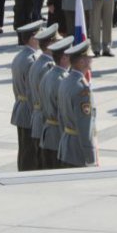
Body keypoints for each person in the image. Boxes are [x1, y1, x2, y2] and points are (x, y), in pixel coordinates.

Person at [57, 39, 99, 168]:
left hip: (66, 146)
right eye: (89, 58)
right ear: (82, 62)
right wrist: (90, 157)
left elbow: (60, 116)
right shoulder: (82, 89)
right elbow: (85, 126)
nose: (92, 60)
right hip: (78, 152)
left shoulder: (65, 80)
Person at [27, 24, 59, 169]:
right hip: (44, 120)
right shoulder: (47, 67)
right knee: (45, 163)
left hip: (37, 117)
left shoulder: (38, 62)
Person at [12, 21, 42, 171]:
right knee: (29, 152)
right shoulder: (31, 60)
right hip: (29, 110)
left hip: (20, 106)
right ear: (32, 38)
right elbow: (31, 92)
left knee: (24, 148)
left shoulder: (19, 56)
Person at [39, 36, 73, 168]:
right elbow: (64, 113)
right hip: (58, 136)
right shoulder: (63, 80)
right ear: (64, 58)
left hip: (47, 133)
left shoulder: (47, 74)